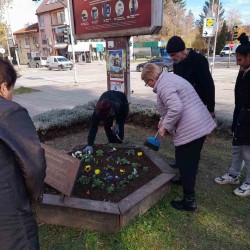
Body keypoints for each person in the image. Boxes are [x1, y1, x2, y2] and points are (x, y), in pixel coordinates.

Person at [141, 63, 216, 211]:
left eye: (146, 82)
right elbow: (170, 107)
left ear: (151, 79)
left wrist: (165, 127)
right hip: (198, 125)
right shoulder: (169, 79)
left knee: (187, 162)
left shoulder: (163, 86)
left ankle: (189, 201)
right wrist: (162, 121)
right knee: (185, 159)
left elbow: (176, 107)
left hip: (192, 128)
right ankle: (183, 180)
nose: (147, 86)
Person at [0, 58, 46, 249]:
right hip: (10, 215)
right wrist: (35, 197)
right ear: (3, 87)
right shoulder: (9, 113)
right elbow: (34, 165)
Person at [166, 35, 216, 171]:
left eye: (173, 55)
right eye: (170, 56)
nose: (172, 58)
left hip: (197, 106)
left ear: (183, 50)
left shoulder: (198, 60)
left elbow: (208, 86)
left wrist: (211, 109)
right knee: (179, 134)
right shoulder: (177, 64)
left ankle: (190, 165)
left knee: (192, 139)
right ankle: (180, 162)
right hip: (182, 106)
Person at [214, 33, 250, 197]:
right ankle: (233, 175)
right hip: (240, 115)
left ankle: (249, 182)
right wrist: (236, 120)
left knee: (248, 153)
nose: (237, 63)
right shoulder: (243, 71)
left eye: (240, 60)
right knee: (237, 148)